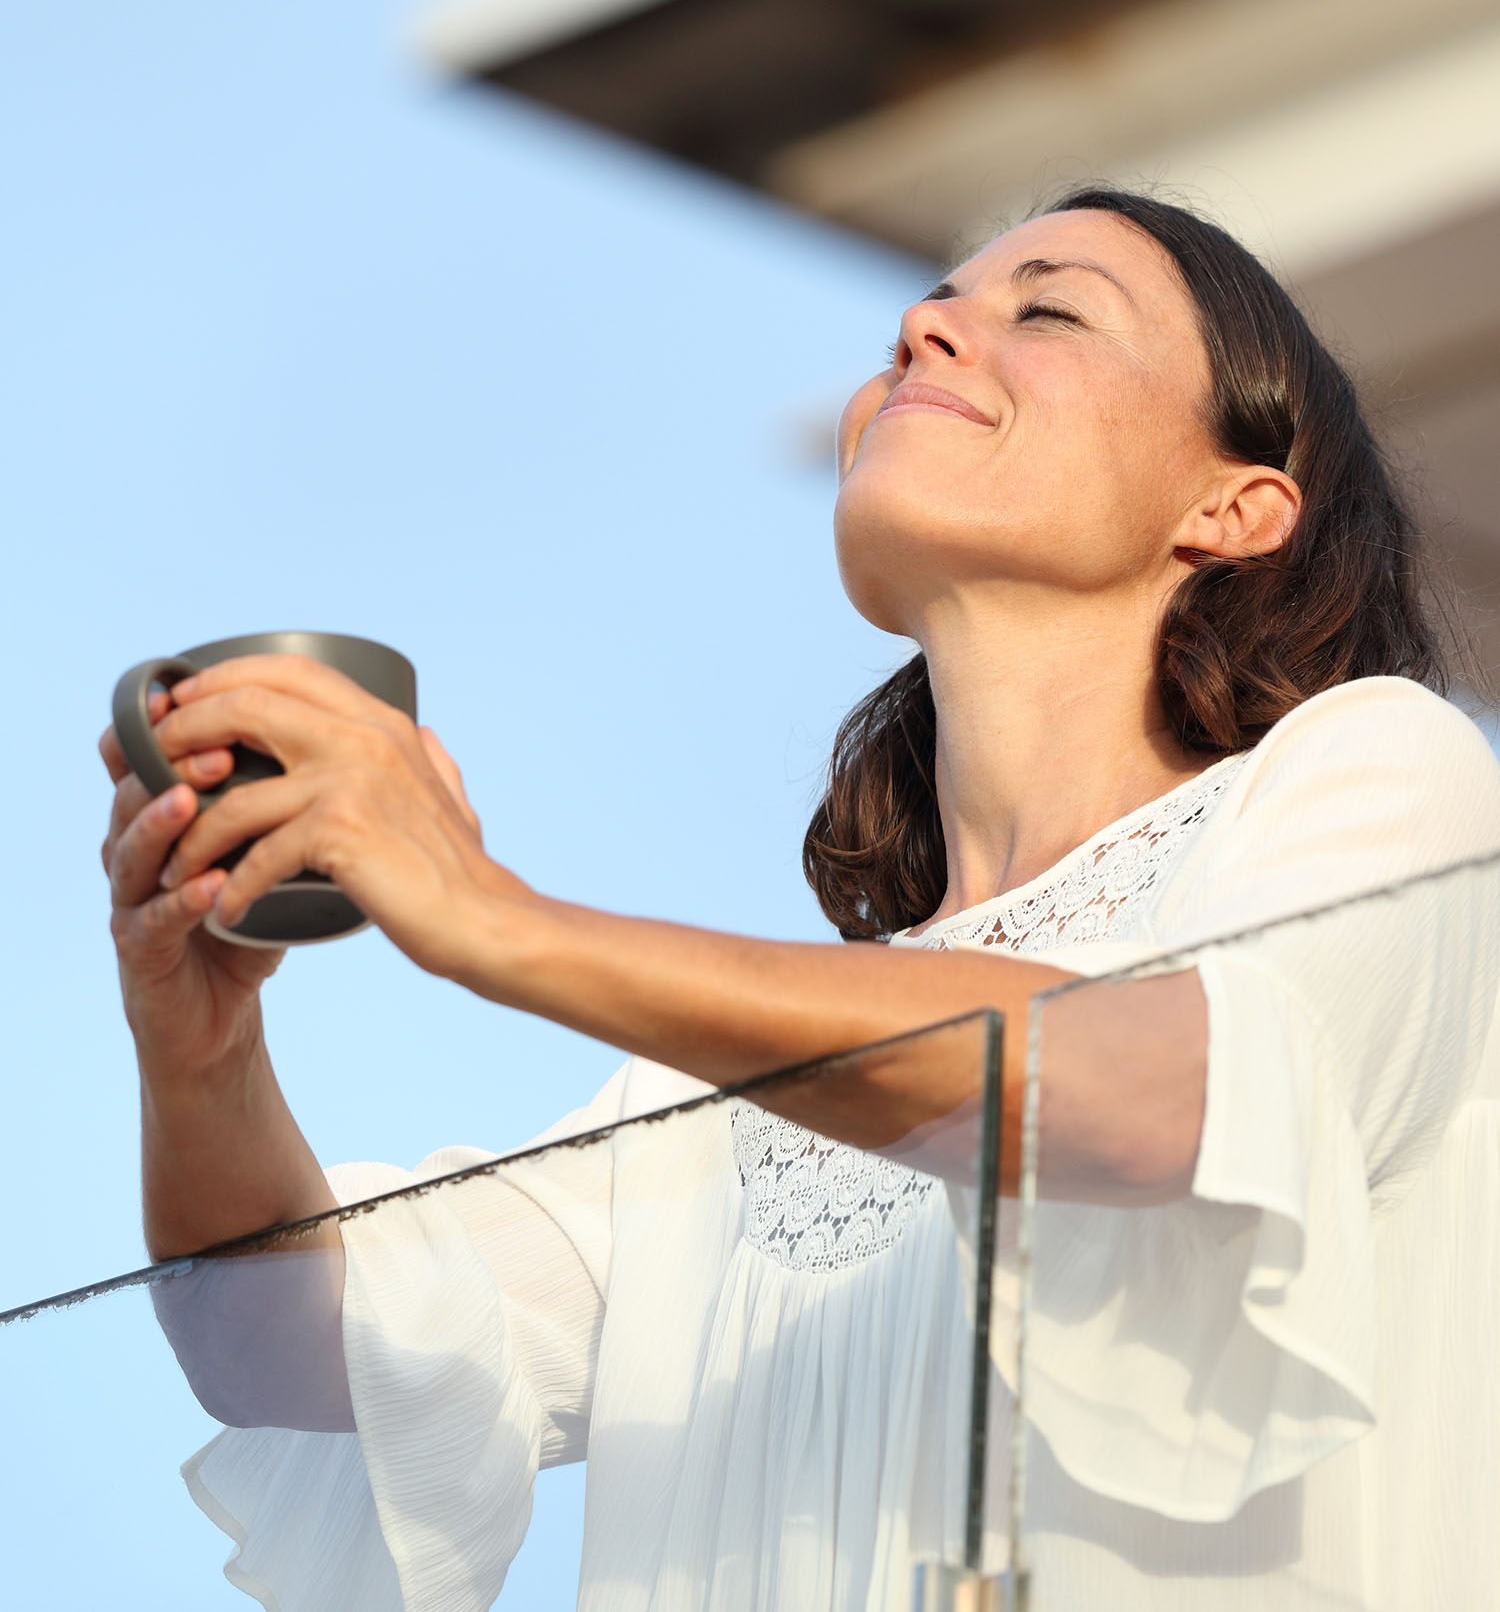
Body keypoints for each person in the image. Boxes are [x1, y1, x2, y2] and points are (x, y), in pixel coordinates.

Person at [101, 190, 1500, 1611]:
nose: (922, 326)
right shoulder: (712, 1092)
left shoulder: (1381, 772)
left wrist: (493, 919)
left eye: (1051, 308)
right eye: (935, 303)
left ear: (1236, 506)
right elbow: (281, 1347)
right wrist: (197, 1052)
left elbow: (1161, 1085)